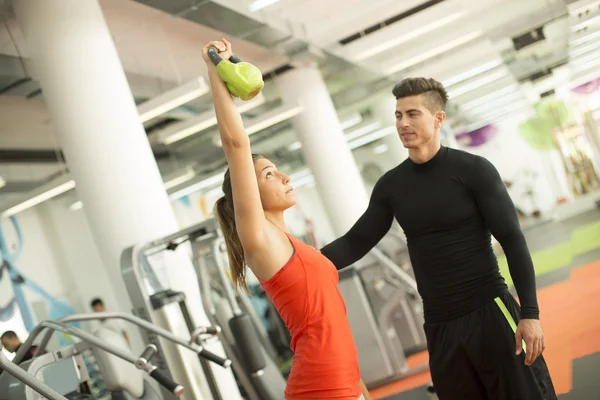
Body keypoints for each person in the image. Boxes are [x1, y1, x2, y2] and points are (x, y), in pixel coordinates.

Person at [320, 77, 557, 400]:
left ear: (438, 118)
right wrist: (295, 262)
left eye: (413, 114)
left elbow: (513, 240)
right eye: (398, 115)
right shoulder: (391, 186)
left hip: (489, 311)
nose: (403, 123)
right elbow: (355, 242)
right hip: (440, 326)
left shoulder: (474, 170)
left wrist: (530, 313)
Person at [202, 38, 371, 400]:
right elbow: (236, 145)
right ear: (248, 194)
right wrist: (216, 70)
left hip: (342, 383)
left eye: (278, 171)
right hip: (320, 389)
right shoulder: (260, 240)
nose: (284, 178)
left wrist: (360, 389)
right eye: (268, 175)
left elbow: (330, 322)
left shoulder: (291, 242)